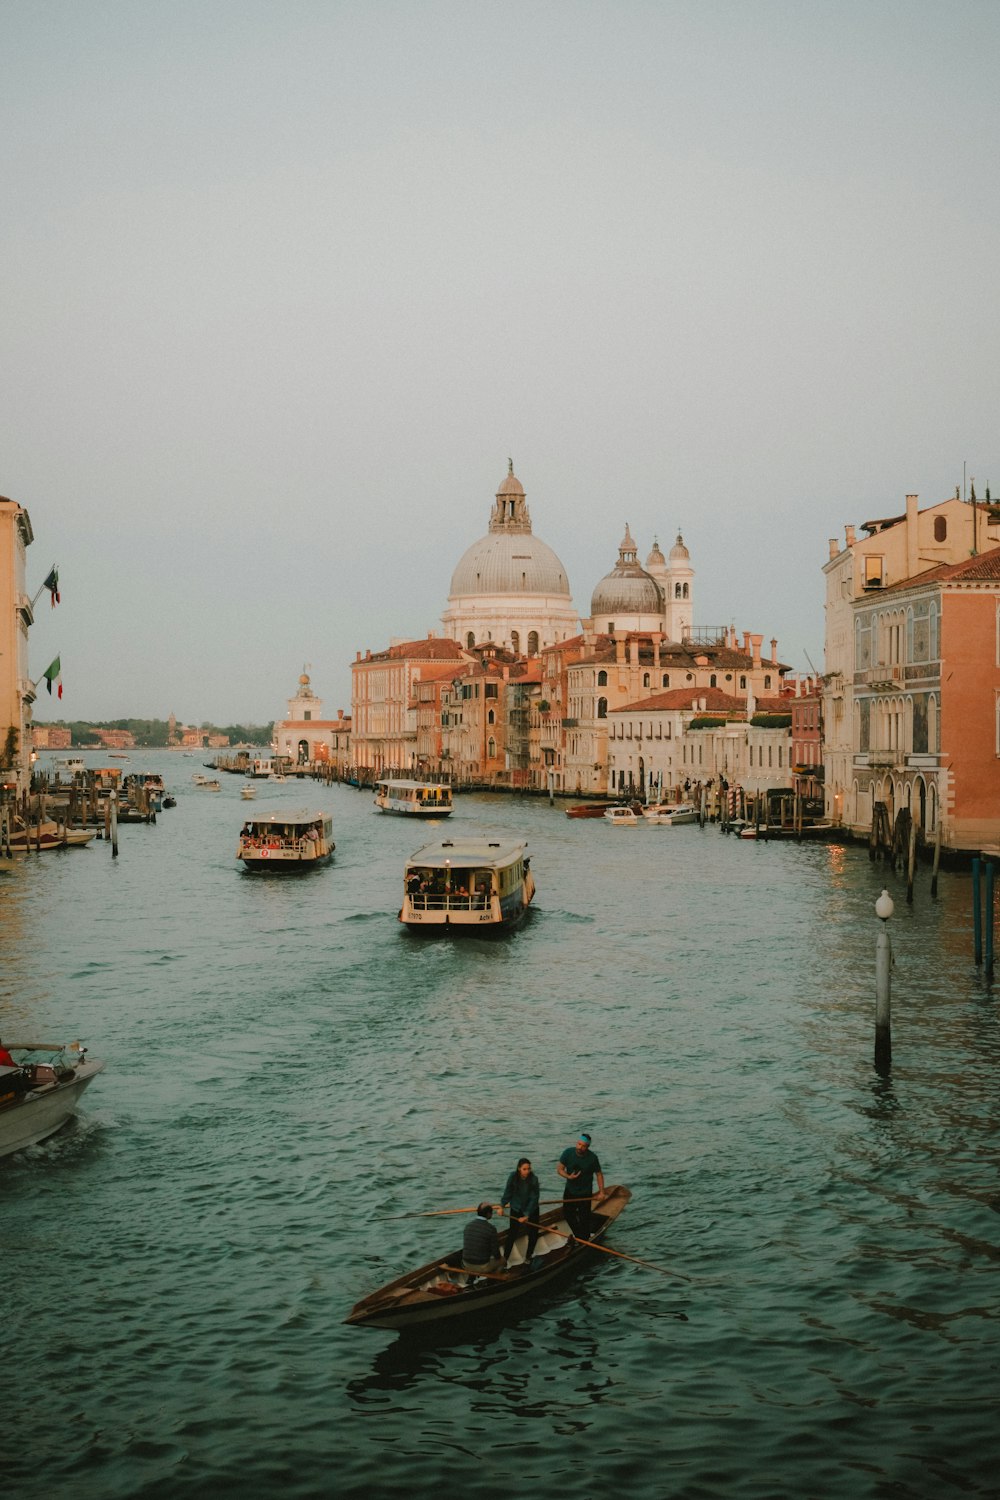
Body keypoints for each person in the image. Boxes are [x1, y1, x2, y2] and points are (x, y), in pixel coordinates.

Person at [556, 1132, 605, 1240]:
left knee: (584, 1218)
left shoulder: (592, 1158)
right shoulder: (568, 1153)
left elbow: (599, 1174)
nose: (580, 1147)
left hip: (585, 1193)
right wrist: (568, 1176)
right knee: (568, 1215)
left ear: (587, 1147)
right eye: (579, 1144)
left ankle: (584, 1238)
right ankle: (581, 1238)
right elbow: (559, 1169)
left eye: (583, 1146)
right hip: (570, 1191)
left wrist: (601, 1192)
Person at [501, 1157, 541, 1265]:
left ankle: (528, 1256)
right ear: (519, 1168)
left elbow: (534, 1198)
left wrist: (527, 1215)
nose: (527, 1171)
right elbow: (508, 1192)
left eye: (529, 1169)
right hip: (516, 1208)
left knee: (533, 1233)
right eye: (524, 1169)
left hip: (531, 1209)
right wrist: (502, 1205)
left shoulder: (534, 1179)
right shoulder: (512, 1177)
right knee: (512, 1234)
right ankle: (504, 1260)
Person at [462, 1201, 503, 1275]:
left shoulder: (468, 1226)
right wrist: (498, 1258)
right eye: (491, 1212)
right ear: (488, 1214)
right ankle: (494, 1278)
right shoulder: (491, 1229)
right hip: (481, 1266)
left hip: (466, 1263)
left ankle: (471, 1278)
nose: (492, 1214)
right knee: (502, 1260)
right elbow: (496, 1253)